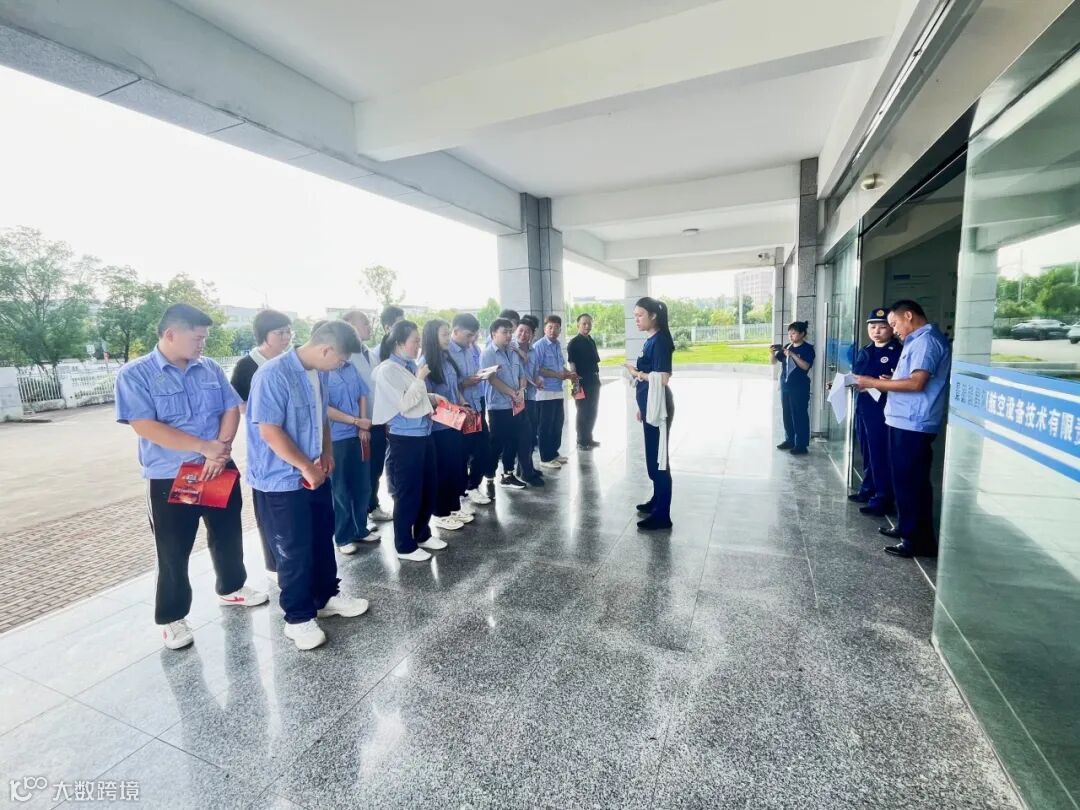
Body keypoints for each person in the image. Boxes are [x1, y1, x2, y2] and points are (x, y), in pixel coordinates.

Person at [116, 304, 268, 651]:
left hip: (216, 467)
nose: (203, 344)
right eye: (197, 338)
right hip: (173, 475)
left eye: (204, 338)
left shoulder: (208, 367)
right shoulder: (136, 374)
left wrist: (221, 449)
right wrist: (203, 447)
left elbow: (230, 408)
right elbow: (145, 425)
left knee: (227, 533)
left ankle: (232, 588)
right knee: (174, 548)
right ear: (171, 334)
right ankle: (172, 617)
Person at [246, 321, 371, 650]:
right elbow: (269, 431)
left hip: (315, 471)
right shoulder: (273, 374)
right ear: (326, 349)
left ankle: (325, 596)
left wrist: (326, 452)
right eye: (340, 359)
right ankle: (298, 618)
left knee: (321, 536)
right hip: (281, 480)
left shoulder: (321, 373)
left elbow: (322, 418)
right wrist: (304, 465)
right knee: (294, 548)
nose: (340, 366)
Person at [855, 299, 951, 558]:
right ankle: (907, 527)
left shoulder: (926, 341)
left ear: (908, 315)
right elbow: (909, 379)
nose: (894, 330)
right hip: (902, 419)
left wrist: (874, 382)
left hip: (914, 422)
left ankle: (917, 541)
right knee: (904, 480)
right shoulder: (915, 340)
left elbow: (917, 383)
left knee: (912, 481)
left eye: (894, 323)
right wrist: (892, 380)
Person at [372, 320, 449, 562]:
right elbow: (404, 404)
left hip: (424, 434)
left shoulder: (408, 366)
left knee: (428, 487)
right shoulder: (387, 370)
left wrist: (432, 397)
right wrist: (420, 379)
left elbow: (415, 397)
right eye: (415, 341)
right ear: (399, 343)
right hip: (405, 439)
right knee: (408, 493)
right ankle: (404, 545)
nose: (418, 345)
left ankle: (422, 534)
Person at [229, 308, 294, 584]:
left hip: (292, 443)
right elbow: (239, 405)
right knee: (268, 510)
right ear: (263, 335)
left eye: (288, 331)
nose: (286, 337)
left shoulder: (289, 362)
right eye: (280, 332)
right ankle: (275, 565)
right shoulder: (247, 366)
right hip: (265, 448)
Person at [325, 327, 379, 555]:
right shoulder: (321, 372)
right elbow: (325, 408)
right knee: (340, 489)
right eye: (344, 353)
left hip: (358, 435)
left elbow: (362, 394)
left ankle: (360, 529)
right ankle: (343, 536)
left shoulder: (350, 367)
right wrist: (355, 421)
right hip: (336, 439)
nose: (346, 358)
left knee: (362, 485)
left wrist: (363, 424)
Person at [625, 297, 675, 530]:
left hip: (658, 406)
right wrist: (641, 407)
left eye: (640, 315)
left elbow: (663, 378)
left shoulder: (660, 341)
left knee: (659, 461)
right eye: (635, 315)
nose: (636, 319)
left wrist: (635, 373)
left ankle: (662, 515)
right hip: (650, 405)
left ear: (653, 315)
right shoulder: (651, 339)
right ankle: (657, 501)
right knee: (654, 458)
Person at [420, 319, 474, 531]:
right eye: (444, 334)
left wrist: (464, 403)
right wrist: (452, 410)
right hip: (439, 427)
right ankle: (441, 513)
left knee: (455, 467)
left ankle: (453, 507)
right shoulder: (426, 363)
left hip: (454, 423)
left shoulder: (447, 358)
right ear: (432, 337)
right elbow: (426, 398)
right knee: (442, 469)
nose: (447, 338)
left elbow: (455, 388)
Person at [848, 309, 901, 517]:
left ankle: (883, 497)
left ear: (891, 328)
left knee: (880, 452)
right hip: (863, 405)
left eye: (882, 327)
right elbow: (858, 375)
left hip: (882, 408)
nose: (876, 331)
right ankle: (868, 488)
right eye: (872, 327)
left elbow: (899, 382)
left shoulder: (897, 351)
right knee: (867, 450)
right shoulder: (866, 350)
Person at [449, 313, 492, 507]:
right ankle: (460, 493)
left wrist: (481, 375)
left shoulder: (470, 348)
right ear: (455, 331)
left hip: (475, 406)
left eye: (474, 335)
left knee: (484, 447)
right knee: (461, 454)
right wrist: (465, 383)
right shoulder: (445, 353)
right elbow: (445, 386)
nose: (472, 339)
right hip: (458, 412)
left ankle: (472, 485)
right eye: (468, 335)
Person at [482, 317, 529, 490]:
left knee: (513, 440)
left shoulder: (513, 350)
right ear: (494, 334)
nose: (509, 335)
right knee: (496, 442)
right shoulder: (488, 354)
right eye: (505, 332)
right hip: (498, 406)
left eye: (510, 332)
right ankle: (489, 476)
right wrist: (512, 393)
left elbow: (522, 374)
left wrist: (521, 389)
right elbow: (492, 379)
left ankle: (508, 474)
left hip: (516, 404)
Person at [369, 305, 405, 522]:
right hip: (381, 414)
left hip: (398, 414)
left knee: (388, 456)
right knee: (385, 458)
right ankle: (386, 496)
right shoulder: (377, 355)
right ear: (387, 328)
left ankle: (385, 497)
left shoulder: (404, 356)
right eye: (399, 324)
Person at [534, 314, 576, 468]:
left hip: (558, 390)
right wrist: (558, 375)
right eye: (550, 327)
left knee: (557, 424)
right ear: (545, 329)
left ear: (560, 330)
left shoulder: (557, 344)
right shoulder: (539, 346)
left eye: (556, 328)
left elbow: (560, 366)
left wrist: (569, 374)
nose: (553, 330)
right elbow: (537, 369)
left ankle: (553, 453)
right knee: (545, 426)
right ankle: (545, 458)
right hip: (544, 392)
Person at [772, 321, 815, 456]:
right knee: (787, 414)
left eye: (794, 333)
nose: (790, 336)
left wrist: (793, 355)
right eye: (789, 333)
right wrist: (772, 353)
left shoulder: (808, 349)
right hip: (786, 386)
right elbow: (773, 362)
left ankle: (801, 444)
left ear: (802, 334)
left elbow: (806, 366)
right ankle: (790, 440)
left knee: (799, 414)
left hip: (799, 387)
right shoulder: (787, 346)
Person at [510, 317, 545, 486]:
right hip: (516, 399)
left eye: (528, 332)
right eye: (521, 331)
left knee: (530, 436)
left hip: (531, 397)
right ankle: (526, 473)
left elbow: (535, 372)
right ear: (516, 331)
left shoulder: (533, 351)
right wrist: (518, 352)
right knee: (524, 437)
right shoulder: (510, 348)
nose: (523, 334)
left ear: (532, 334)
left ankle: (526, 467)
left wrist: (538, 380)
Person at [567, 313, 602, 450]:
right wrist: (575, 384)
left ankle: (588, 438)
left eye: (589, 323)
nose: (587, 326)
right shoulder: (574, 343)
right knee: (583, 411)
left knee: (592, 410)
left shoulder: (590, 340)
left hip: (594, 380)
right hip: (581, 382)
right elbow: (572, 364)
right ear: (578, 325)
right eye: (584, 323)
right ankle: (581, 441)